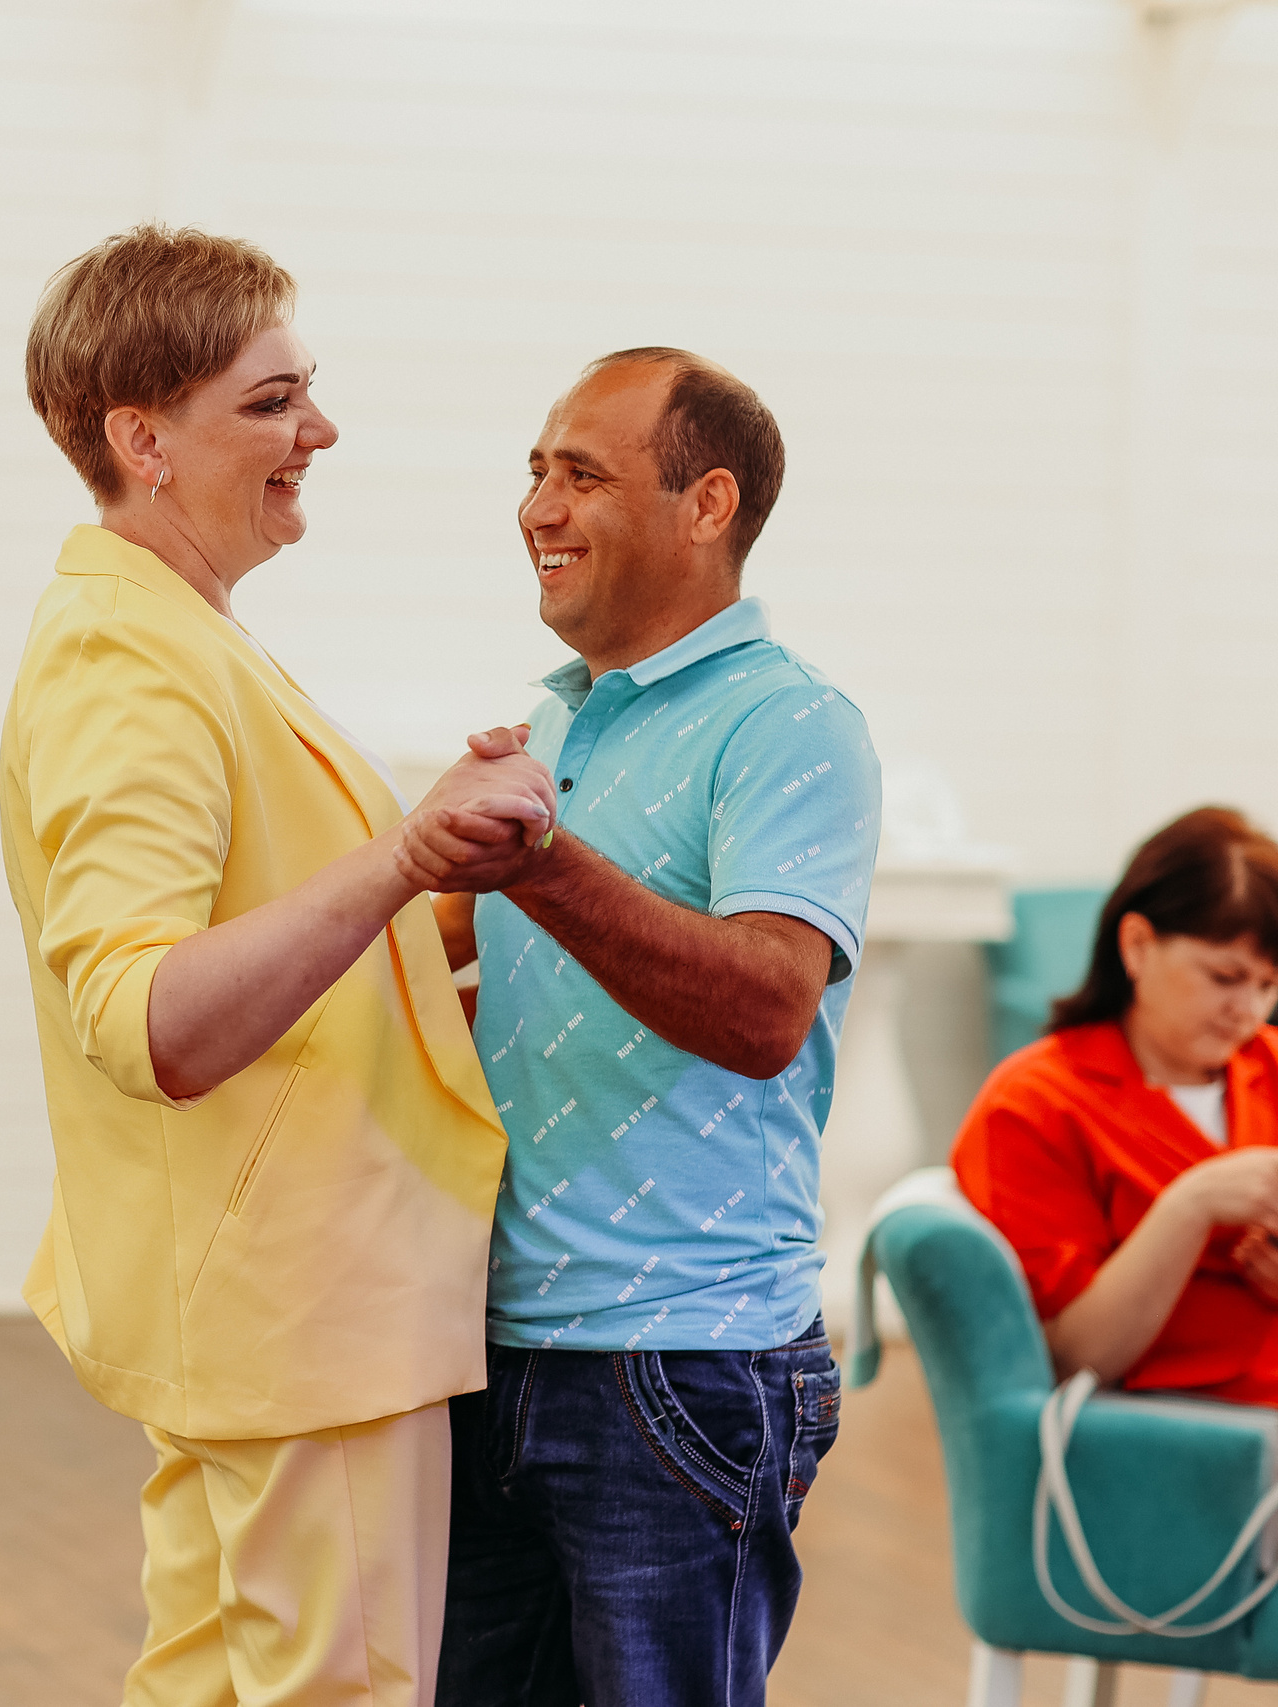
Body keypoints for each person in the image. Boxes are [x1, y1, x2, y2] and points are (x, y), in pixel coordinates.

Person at [1, 224, 559, 1707]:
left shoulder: (182, 635)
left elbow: (267, 929)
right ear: (143, 438)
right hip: (302, 1311)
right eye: (270, 403)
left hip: (272, 1302)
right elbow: (153, 1014)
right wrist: (406, 857)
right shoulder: (133, 659)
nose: (319, 430)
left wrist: (455, 915)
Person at [425, 349, 880, 1706]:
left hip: (679, 1370)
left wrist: (540, 864)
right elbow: (431, 967)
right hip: (488, 1348)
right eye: (533, 470)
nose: (537, 506)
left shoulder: (791, 724)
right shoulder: (553, 720)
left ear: (707, 504)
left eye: (583, 473)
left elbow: (764, 1007)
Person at [953, 808, 1278, 1402]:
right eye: (1225, 977)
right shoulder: (1034, 1103)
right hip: (1193, 1439)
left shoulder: (1270, 1063)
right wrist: (1192, 1206)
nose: (1250, 1011)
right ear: (1137, 946)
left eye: (1267, 984)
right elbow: (1079, 1356)